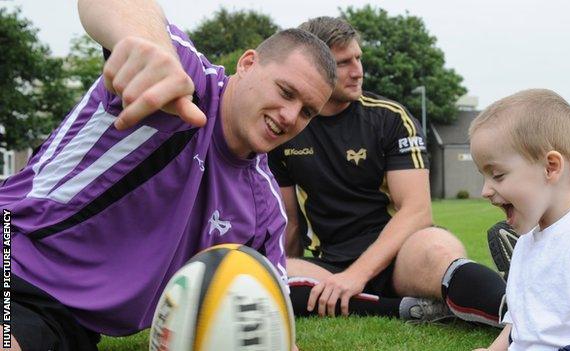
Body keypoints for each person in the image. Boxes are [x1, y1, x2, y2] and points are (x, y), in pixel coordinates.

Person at [0, 0, 336, 350]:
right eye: (286, 92)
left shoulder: (264, 209)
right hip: (13, 251)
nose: (289, 116)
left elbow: (267, 319)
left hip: (62, 318)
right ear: (248, 63)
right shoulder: (184, 84)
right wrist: (149, 47)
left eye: (307, 112)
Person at [268, 17, 507, 326]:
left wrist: (358, 275)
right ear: (315, 67)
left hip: (400, 256)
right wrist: (285, 267)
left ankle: (519, 312)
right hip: (331, 264)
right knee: (268, 274)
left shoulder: (390, 119)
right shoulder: (288, 127)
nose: (358, 71)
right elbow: (289, 224)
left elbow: (417, 211)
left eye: (358, 58)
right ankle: (407, 309)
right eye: (344, 63)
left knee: (437, 248)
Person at [470, 89, 570, 350]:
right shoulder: (524, 244)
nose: (485, 191)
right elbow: (518, 326)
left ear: (550, 167)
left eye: (497, 175)